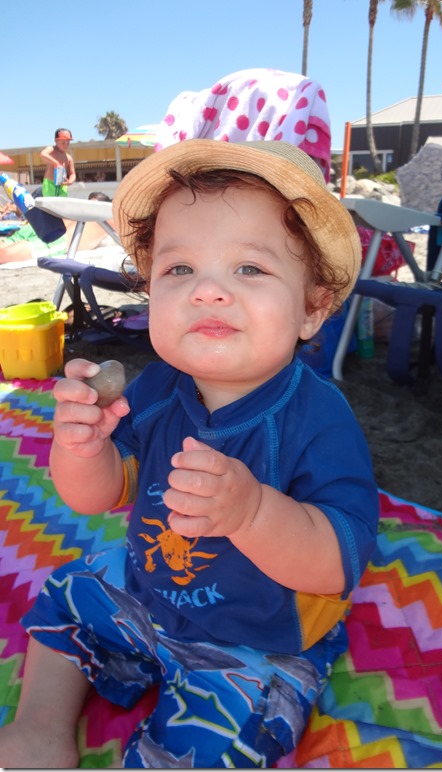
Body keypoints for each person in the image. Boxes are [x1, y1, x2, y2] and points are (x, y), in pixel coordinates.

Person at [0, 139, 379, 768]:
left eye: (249, 268)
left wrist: (253, 513)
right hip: (148, 593)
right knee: (70, 589)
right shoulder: (154, 390)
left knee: (224, 732)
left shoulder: (319, 420)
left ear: (312, 309)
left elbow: (340, 562)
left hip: (257, 639)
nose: (207, 291)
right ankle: (40, 727)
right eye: (180, 270)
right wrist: (82, 447)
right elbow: (97, 496)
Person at [0, 191, 114, 264]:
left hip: (58, 238)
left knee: (4, 254)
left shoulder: (110, 215)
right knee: (3, 249)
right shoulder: (106, 214)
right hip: (45, 228)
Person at [40, 128, 77, 196]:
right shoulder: (52, 149)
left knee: (62, 202)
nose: (66, 145)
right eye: (63, 143)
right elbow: (43, 154)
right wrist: (55, 162)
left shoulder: (69, 158)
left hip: (62, 185)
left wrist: (70, 181)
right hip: (49, 184)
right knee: (50, 202)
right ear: (56, 141)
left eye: (68, 143)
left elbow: (72, 174)